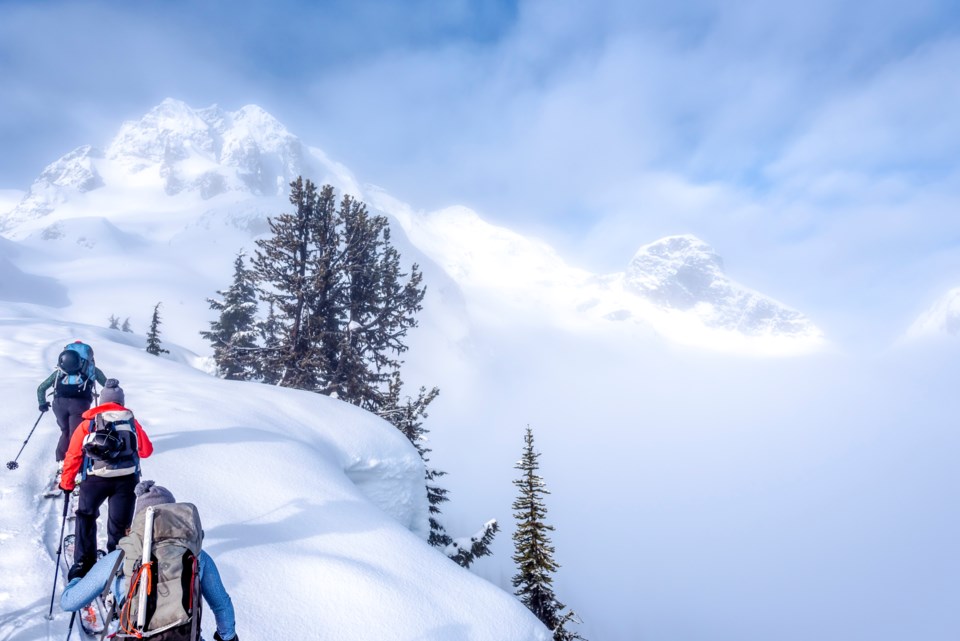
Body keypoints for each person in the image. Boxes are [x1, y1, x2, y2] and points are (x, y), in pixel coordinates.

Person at [67, 481, 239, 641]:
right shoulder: (197, 556)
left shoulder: (120, 558)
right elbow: (222, 606)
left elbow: (70, 602)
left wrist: (76, 576)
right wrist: (227, 636)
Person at [59, 379, 153, 580]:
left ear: (101, 401)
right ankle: (117, 563)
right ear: (121, 401)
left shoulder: (89, 422)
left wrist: (66, 482)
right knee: (120, 524)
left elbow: (74, 455)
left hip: (94, 480)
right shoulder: (130, 421)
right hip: (127, 480)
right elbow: (146, 451)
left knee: (86, 516)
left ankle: (84, 562)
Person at [36, 340, 108, 467]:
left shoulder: (60, 371)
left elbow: (41, 388)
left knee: (65, 431)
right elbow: (106, 384)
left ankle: (61, 460)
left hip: (59, 404)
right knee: (76, 434)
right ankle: (74, 463)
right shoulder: (91, 368)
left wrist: (42, 403)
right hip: (80, 404)